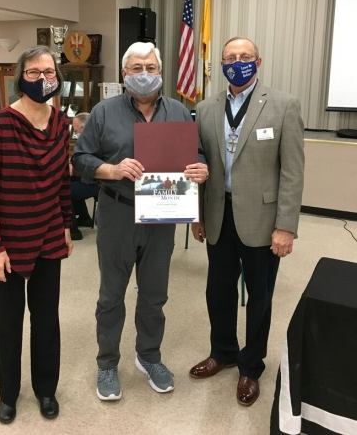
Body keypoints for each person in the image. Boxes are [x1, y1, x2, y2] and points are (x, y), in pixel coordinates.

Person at [73, 41, 208, 401]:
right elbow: (81, 158)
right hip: (118, 211)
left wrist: (199, 167)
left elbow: (194, 154)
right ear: (124, 73)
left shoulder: (179, 112)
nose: (144, 74)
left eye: (150, 67)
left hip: (162, 213)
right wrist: (112, 169)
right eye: (136, 68)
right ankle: (107, 362)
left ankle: (149, 356)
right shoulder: (103, 112)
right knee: (111, 295)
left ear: (160, 71)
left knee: (154, 294)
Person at [189, 36, 304, 406]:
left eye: (244, 56)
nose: (237, 62)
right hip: (219, 216)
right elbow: (198, 167)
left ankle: (251, 366)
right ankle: (222, 351)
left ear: (258, 61)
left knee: (260, 298)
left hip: (263, 221)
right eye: (230, 57)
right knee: (217, 292)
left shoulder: (284, 105)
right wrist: (198, 215)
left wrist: (286, 225)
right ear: (220, 64)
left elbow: (292, 172)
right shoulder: (205, 108)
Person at [0, 45, 73, 424]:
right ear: (20, 78)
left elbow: (62, 182)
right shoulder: (0, 125)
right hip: (5, 241)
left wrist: (66, 224)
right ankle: (8, 394)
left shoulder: (61, 123)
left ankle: (46, 389)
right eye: (33, 72)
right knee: (9, 321)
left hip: (49, 234)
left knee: (47, 318)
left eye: (49, 72)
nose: (42, 79)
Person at [69, 112, 99, 240]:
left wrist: (73, 168)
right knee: (72, 183)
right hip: (93, 181)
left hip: (97, 183)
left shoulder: (93, 141)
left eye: (77, 130)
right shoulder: (94, 137)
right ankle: (84, 218)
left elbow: (90, 167)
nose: (76, 133)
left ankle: (73, 231)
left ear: (84, 128)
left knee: (63, 191)